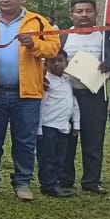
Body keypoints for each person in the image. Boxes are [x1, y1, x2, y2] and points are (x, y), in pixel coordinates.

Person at [0, 0, 60, 201]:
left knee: (24, 140)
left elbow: (54, 49)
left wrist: (34, 45)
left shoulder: (38, 22)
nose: (5, 0)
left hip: (27, 93)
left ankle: (22, 183)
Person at [59, 0, 109, 194]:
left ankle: (92, 181)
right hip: (68, 94)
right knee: (66, 137)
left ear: (95, 14)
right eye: (79, 11)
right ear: (71, 15)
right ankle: (64, 180)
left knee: (93, 139)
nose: (84, 15)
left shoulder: (105, 37)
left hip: (94, 94)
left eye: (88, 11)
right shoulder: (63, 37)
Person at [37, 50, 79, 198]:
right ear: (45, 64)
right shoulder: (45, 82)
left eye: (60, 60)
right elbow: (41, 105)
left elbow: (72, 102)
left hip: (63, 126)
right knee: (47, 157)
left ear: (66, 63)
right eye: (52, 61)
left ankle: (57, 183)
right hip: (48, 126)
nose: (56, 64)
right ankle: (47, 185)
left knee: (60, 157)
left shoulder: (67, 81)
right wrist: (39, 128)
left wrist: (76, 124)